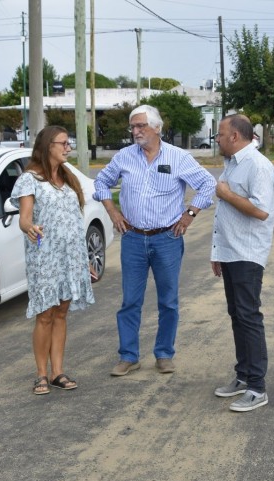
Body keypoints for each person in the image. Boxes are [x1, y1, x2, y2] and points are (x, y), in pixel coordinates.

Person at [94, 105, 217, 376]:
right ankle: (128, 356)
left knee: (168, 300)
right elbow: (101, 183)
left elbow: (208, 184)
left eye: (140, 126)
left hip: (167, 239)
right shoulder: (124, 157)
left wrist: (190, 214)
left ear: (157, 128)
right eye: (133, 127)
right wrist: (112, 211)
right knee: (130, 301)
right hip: (134, 238)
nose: (135, 132)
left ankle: (164, 353)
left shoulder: (178, 157)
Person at [10, 125, 95, 395]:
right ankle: (41, 374)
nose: (67, 147)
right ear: (48, 146)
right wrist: (29, 227)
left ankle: (58, 372)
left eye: (68, 143)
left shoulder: (69, 178)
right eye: (63, 143)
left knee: (61, 313)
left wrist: (84, 260)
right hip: (45, 257)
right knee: (45, 315)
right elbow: (25, 217)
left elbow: (74, 221)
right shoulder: (29, 180)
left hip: (71, 257)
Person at [211, 114, 274, 412]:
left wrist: (226, 194)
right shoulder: (233, 164)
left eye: (220, 134)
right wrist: (217, 252)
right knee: (237, 314)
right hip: (230, 251)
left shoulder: (258, 165)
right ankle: (243, 375)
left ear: (235, 137)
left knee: (249, 316)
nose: (217, 139)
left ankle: (257, 387)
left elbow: (262, 211)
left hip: (248, 253)